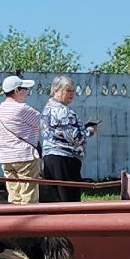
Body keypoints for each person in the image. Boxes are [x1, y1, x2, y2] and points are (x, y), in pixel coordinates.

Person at [39, 75, 95, 203]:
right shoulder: (63, 111)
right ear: (56, 90)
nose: (72, 94)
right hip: (64, 159)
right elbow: (74, 137)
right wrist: (89, 132)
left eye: (73, 91)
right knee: (69, 199)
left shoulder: (47, 108)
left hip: (49, 157)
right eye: (68, 90)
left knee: (57, 199)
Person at [0, 76, 42, 205]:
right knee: (29, 194)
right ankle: (30, 221)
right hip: (25, 156)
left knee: (14, 194)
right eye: (25, 89)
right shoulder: (22, 108)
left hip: (6, 157)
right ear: (17, 90)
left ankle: (16, 220)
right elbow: (44, 122)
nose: (27, 92)